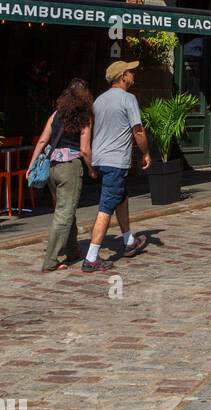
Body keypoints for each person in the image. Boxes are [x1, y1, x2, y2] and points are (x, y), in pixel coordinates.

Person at [83, 60, 151, 273]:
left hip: (101, 158)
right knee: (106, 207)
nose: (133, 74)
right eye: (130, 72)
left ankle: (129, 241)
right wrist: (146, 152)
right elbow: (138, 130)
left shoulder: (99, 101)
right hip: (115, 160)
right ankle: (91, 258)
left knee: (121, 197)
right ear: (123, 76)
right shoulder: (128, 99)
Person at [26, 77, 95, 273]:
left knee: (67, 208)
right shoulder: (85, 116)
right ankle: (51, 260)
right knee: (64, 213)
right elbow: (85, 149)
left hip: (52, 167)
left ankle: (72, 250)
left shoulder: (56, 114)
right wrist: (91, 169)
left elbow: (41, 142)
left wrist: (31, 166)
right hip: (69, 168)